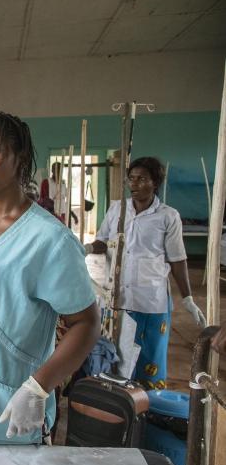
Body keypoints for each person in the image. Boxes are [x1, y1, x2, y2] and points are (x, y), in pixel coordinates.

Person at [0, 111, 99, 444]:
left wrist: (39, 386)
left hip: (8, 401)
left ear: (20, 157)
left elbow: (87, 323)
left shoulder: (49, 239)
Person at [85, 156, 206, 390]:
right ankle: (119, 404)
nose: (135, 184)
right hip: (118, 297)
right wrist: (89, 248)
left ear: (155, 182)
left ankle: (149, 408)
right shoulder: (117, 210)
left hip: (151, 300)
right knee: (117, 355)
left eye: (142, 179)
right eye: (132, 178)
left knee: (149, 358)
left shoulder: (167, 216)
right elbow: (103, 240)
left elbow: (177, 259)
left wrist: (188, 298)